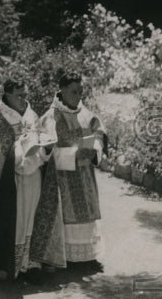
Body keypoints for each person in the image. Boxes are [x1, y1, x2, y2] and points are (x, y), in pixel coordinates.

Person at [0, 79, 57, 283]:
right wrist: (25, 151)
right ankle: (6, 265)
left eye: (26, 94)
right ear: (7, 96)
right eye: (19, 96)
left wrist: (46, 149)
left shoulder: (31, 115)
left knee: (30, 220)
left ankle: (28, 264)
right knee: (16, 220)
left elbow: (40, 138)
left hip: (33, 179)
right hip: (11, 183)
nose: (24, 100)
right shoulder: (0, 121)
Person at [31, 72, 107, 271]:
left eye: (81, 91)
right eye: (74, 91)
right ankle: (65, 255)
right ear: (62, 90)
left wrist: (95, 148)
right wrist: (74, 155)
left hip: (85, 177)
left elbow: (99, 131)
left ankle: (87, 255)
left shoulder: (86, 113)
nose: (78, 96)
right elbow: (45, 149)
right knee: (64, 214)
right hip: (61, 178)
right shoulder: (51, 118)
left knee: (86, 214)